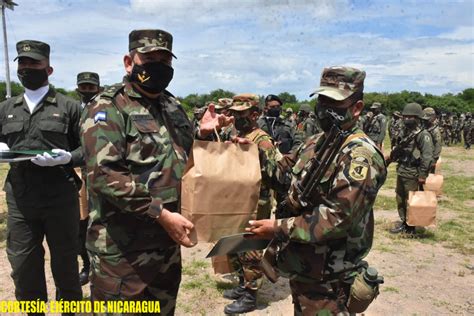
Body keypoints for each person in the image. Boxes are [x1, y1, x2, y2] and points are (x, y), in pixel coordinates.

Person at [80, 29, 229, 314]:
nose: (158, 65)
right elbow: (104, 175)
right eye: (149, 58)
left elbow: (182, 159)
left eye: (165, 59)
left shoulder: (172, 106)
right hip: (122, 253)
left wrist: (205, 135)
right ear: (129, 61)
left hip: (165, 248)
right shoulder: (108, 106)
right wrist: (159, 213)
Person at [246, 66, 387, 314]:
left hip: (331, 277)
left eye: (335, 102)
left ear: (356, 108)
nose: (325, 109)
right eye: (322, 100)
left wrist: (278, 228)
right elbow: (282, 175)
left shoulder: (359, 155)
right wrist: (251, 151)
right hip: (305, 266)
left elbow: (338, 218)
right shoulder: (316, 142)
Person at [0, 40, 83, 306]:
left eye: (34, 63)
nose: (26, 68)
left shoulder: (69, 107)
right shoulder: (6, 109)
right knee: (23, 266)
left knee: (65, 264)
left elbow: (91, 148)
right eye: (22, 63)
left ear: (48, 69)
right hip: (20, 198)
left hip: (60, 196)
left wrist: (69, 157)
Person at [223, 93, 280, 314]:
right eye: (234, 113)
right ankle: (241, 283)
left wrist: (255, 153)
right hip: (235, 197)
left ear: (255, 114)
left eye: (241, 114)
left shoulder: (261, 139)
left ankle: (250, 294)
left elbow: (276, 173)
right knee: (233, 243)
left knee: (250, 247)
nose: (236, 118)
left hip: (258, 200)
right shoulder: (234, 133)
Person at [388, 103, 433, 234]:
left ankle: (410, 226)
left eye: (410, 117)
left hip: (413, 172)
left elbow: (427, 156)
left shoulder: (423, 135)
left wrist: (423, 175)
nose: (407, 119)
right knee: (400, 198)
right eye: (405, 116)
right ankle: (404, 221)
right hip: (402, 169)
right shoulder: (406, 132)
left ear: (418, 118)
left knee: (411, 200)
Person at [75, 71, 101, 286]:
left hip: (102, 174)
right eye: (83, 87)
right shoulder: (72, 110)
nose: (87, 91)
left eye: (91, 88)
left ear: (98, 89)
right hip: (79, 174)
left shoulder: (106, 109)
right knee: (81, 223)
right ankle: (87, 265)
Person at [422, 107, 442, 173]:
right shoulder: (423, 127)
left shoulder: (435, 130)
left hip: (431, 157)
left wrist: (434, 159)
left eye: (427, 119)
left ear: (433, 117)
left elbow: (438, 145)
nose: (425, 121)